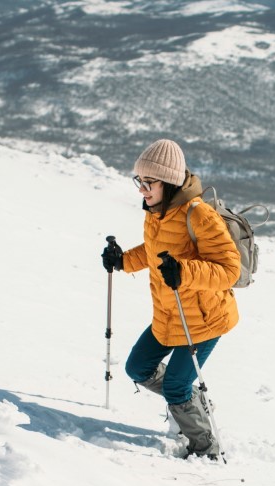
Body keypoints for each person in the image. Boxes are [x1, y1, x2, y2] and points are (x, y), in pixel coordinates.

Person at [101, 139, 240, 459]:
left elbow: (229, 270)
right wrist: (123, 261)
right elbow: (156, 253)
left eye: (148, 183)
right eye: (140, 181)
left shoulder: (199, 215)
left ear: (169, 182)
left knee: (176, 387)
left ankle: (206, 450)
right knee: (138, 367)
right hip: (169, 313)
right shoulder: (157, 212)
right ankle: (191, 402)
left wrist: (185, 272)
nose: (142, 190)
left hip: (204, 320)